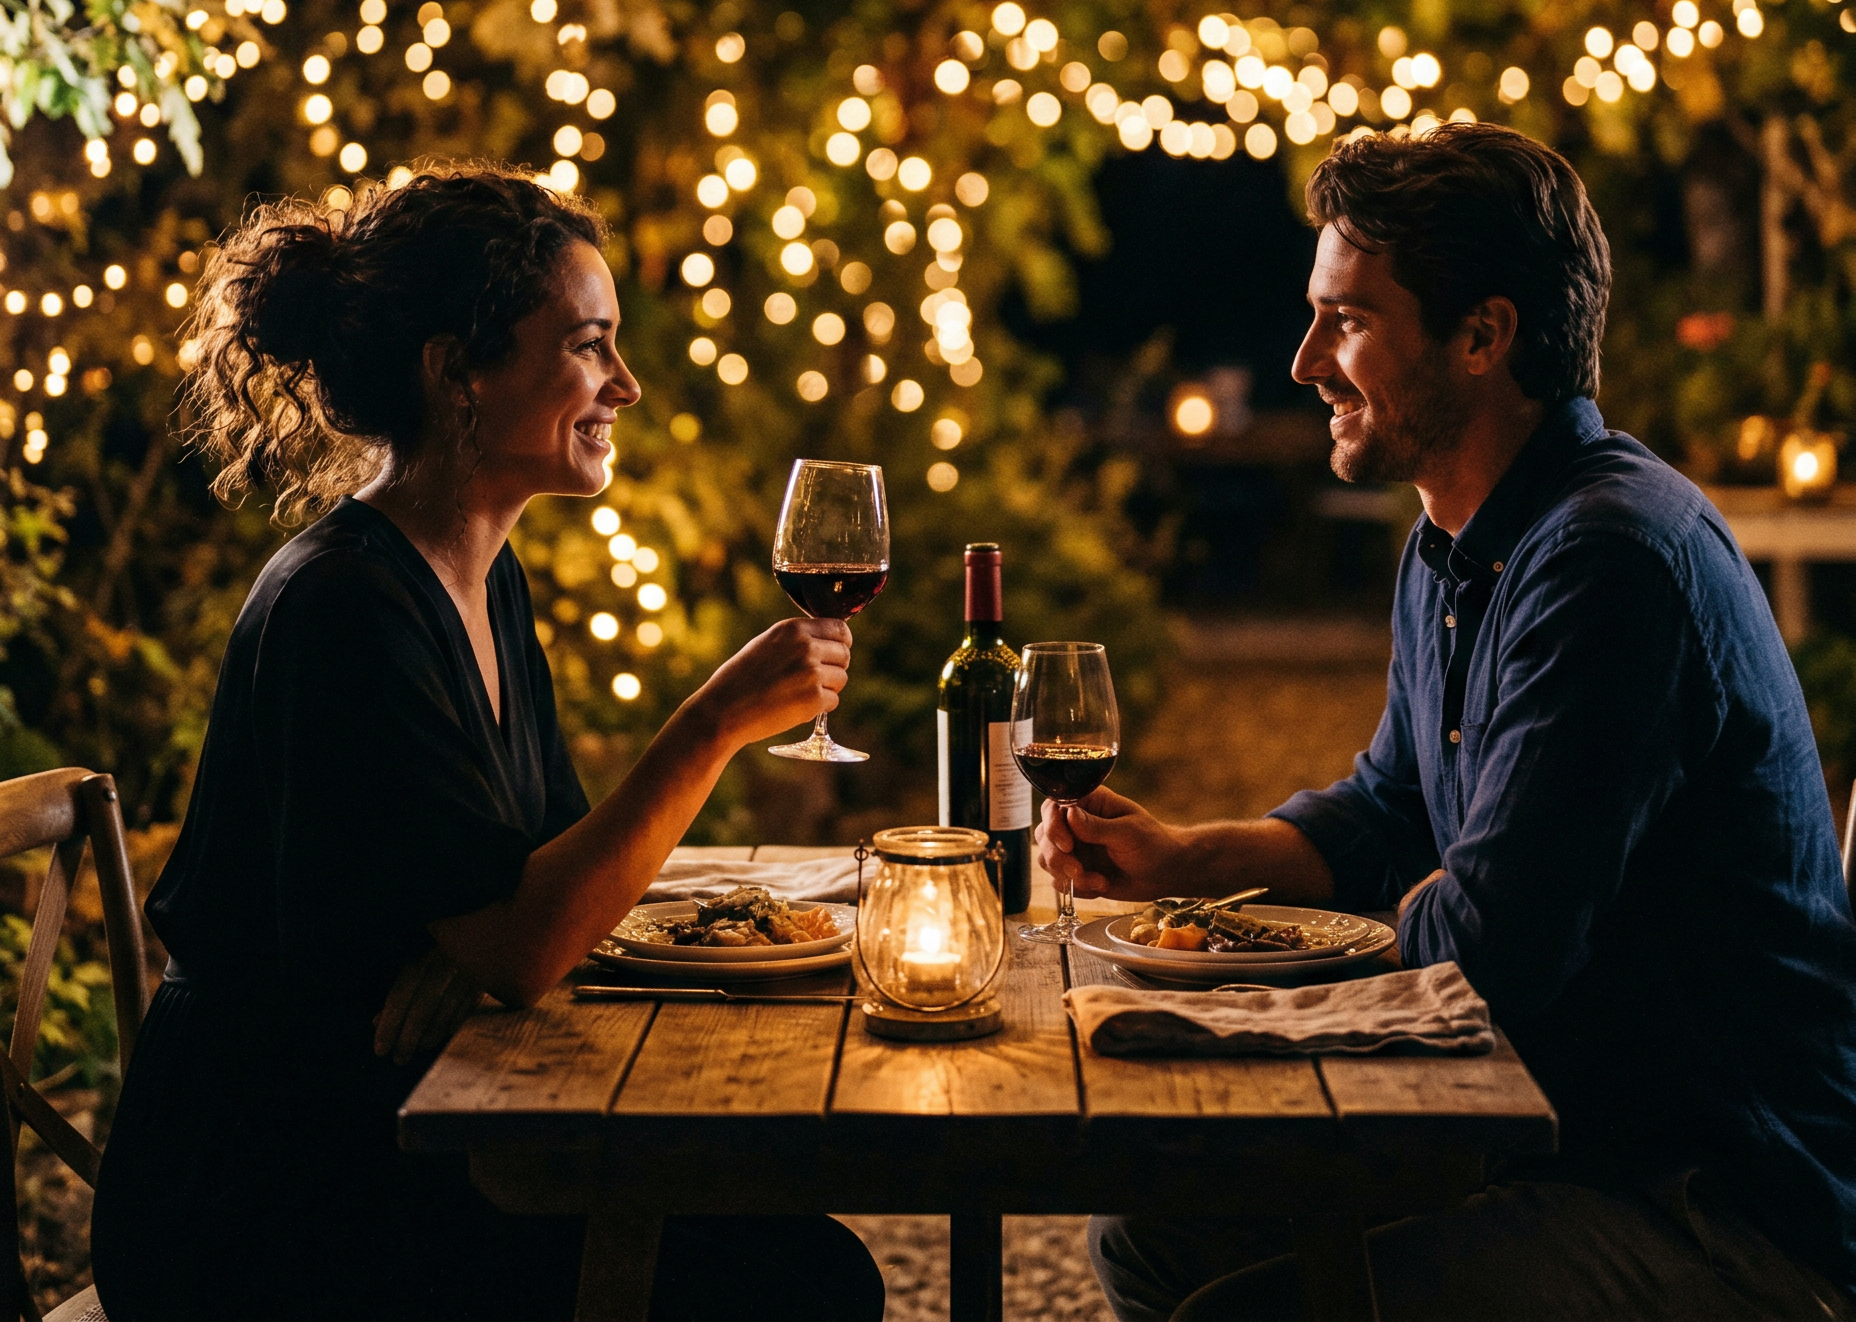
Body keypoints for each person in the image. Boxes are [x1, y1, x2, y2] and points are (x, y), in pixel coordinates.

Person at [1041, 123, 1856, 1321]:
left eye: (1348, 320)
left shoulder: (1608, 561)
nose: (1303, 359)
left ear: (1482, 336)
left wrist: (1259, 972)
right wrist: (1185, 864)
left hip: (1714, 1197)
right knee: (1154, 1236)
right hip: (1565, 1135)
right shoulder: (1451, 540)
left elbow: (1488, 956)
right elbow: (1389, 808)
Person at [92, 164, 884, 1322]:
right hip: (266, 1199)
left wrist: (482, 938)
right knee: (800, 1292)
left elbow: (546, 886)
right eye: (587, 345)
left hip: (397, 1119)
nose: (628, 383)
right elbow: (527, 938)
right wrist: (711, 726)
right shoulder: (345, 609)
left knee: (804, 1258)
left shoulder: (478, 576)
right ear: (455, 370)